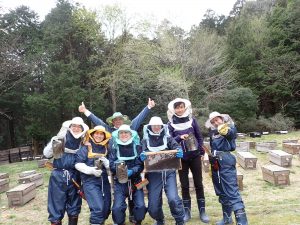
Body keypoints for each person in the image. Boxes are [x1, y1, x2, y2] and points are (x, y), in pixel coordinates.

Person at [78, 98, 155, 222]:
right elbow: (98, 122)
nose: (118, 122)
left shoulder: (130, 129)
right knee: (119, 201)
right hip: (117, 172)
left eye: (120, 119)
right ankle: (118, 218)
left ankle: (134, 216)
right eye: (116, 120)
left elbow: (138, 119)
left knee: (136, 199)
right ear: (113, 122)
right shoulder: (109, 130)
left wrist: (148, 107)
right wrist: (86, 111)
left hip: (134, 175)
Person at [167, 98, 209, 223]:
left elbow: (199, 137)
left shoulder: (192, 120)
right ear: (173, 109)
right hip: (181, 158)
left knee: (198, 183)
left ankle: (202, 211)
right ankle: (187, 211)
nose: (179, 109)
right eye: (177, 107)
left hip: (195, 156)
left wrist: (201, 152)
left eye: (181, 107)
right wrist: (180, 137)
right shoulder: (170, 124)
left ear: (185, 108)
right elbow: (170, 141)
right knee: (184, 185)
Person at [43, 117, 89, 225]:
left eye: (79, 126)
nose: (76, 128)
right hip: (58, 175)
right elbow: (47, 154)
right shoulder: (61, 138)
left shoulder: (83, 142)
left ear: (82, 128)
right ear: (70, 127)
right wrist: (53, 143)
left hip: (75, 176)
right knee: (56, 205)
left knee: (74, 205)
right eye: (74, 126)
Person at [140, 116, 185, 225]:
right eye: (154, 125)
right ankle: (159, 219)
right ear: (150, 126)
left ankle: (179, 220)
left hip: (169, 172)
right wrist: (141, 157)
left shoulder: (168, 138)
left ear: (161, 126)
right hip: (153, 174)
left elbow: (176, 146)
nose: (156, 127)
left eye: (158, 125)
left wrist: (179, 150)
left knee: (173, 199)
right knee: (153, 205)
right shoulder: (145, 140)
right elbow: (142, 154)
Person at [205, 111, 248, 225]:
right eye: (213, 121)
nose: (215, 122)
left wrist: (226, 130)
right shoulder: (213, 132)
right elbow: (213, 147)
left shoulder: (229, 127)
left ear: (222, 118)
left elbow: (231, 134)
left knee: (231, 191)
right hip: (215, 163)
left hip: (226, 161)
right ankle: (227, 218)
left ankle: (242, 222)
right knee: (221, 192)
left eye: (217, 119)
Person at [109, 124, 146, 225]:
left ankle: (137, 221)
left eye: (126, 132)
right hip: (120, 183)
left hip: (136, 181)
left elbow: (140, 165)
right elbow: (111, 164)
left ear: (130, 134)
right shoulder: (114, 147)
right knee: (117, 208)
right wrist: (121, 171)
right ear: (118, 134)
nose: (124, 134)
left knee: (141, 206)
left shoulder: (137, 146)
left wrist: (132, 171)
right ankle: (120, 222)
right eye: (121, 133)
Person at [75, 125, 112, 225]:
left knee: (106, 208)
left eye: (101, 134)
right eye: (97, 133)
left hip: (104, 182)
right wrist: (90, 170)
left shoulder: (107, 148)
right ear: (92, 134)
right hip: (90, 182)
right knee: (98, 208)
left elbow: (112, 165)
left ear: (104, 136)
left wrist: (108, 164)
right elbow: (78, 163)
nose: (99, 136)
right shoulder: (85, 147)